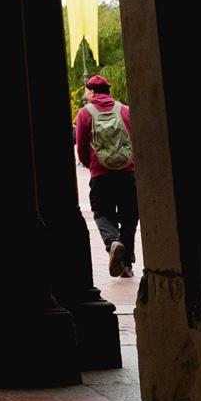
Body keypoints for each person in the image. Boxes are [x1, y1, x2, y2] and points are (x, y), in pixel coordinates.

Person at [74, 73, 138, 279]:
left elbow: (81, 147)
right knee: (129, 217)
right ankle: (126, 265)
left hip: (101, 174)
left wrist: (92, 166)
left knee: (102, 213)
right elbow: (134, 140)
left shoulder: (85, 113)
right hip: (127, 173)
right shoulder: (125, 110)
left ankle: (112, 242)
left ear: (93, 92)